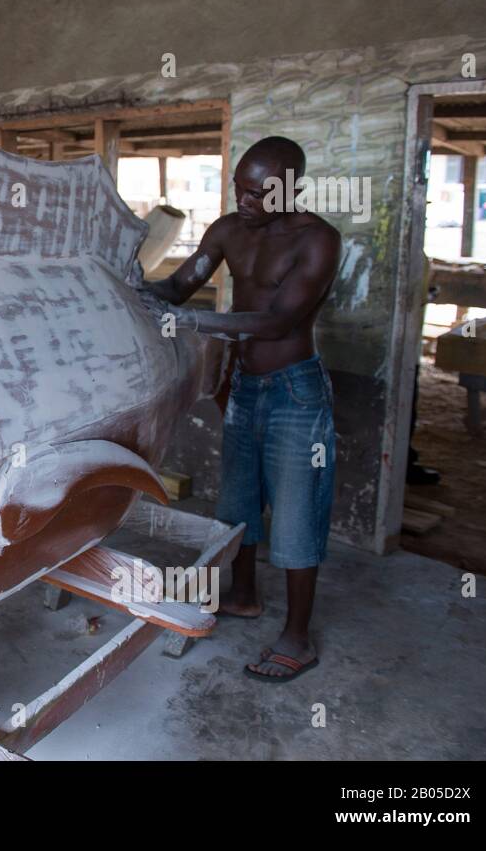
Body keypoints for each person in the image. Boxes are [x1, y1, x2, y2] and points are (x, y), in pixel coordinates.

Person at [138, 136, 341, 682]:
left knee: (297, 512)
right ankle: (243, 595)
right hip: (245, 385)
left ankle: (298, 638)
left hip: (295, 391)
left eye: (257, 193)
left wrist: (197, 325)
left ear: (289, 187)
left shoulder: (318, 240)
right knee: (236, 504)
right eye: (239, 189)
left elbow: (278, 322)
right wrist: (124, 285)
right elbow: (180, 286)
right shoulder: (228, 230)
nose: (244, 201)